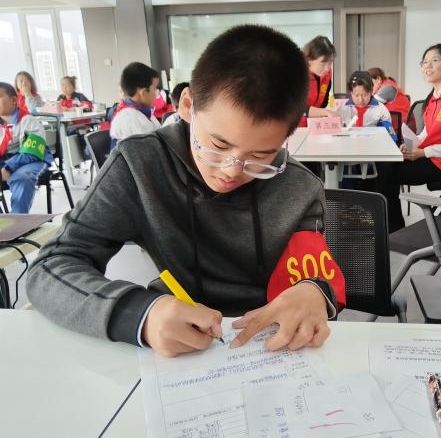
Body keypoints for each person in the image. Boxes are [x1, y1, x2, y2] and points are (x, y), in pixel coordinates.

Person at [26, 25, 346, 358]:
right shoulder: (141, 166)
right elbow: (51, 266)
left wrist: (314, 293)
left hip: (270, 349)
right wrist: (139, 314)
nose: (231, 170)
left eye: (260, 156)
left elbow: (314, 277)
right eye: (218, 144)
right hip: (175, 346)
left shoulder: (300, 188)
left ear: (285, 138)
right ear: (188, 105)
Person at [377, 43, 441, 232]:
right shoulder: (434, 97)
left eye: (435, 61)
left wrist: (422, 153)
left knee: (388, 174)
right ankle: (391, 227)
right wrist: (412, 145)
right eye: (425, 62)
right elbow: (428, 132)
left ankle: (392, 229)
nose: (428, 66)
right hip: (435, 156)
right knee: (385, 165)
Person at [0, 83, 53, 213]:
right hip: (5, 161)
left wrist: (7, 167)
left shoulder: (27, 120)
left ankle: (18, 219)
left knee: (23, 177)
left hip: (33, 160)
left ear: (14, 100)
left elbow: (33, 152)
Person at [110, 62, 161, 145]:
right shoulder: (128, 119)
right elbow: (151, 148)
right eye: (155, 88)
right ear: (144, 93)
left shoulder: (143, 112)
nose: (156, 93)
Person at [299, 36, 337, 127]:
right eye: (323, 63)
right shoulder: (296, 74)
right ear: (309, 60)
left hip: (313, 126)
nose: (327, 68)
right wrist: (325, 112)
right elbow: (297, 109)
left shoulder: (327, 74)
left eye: (330, 62)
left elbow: (323, 102)